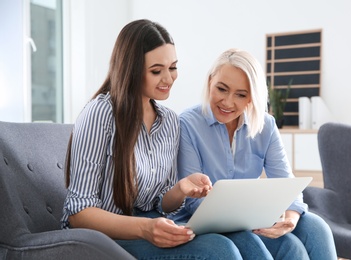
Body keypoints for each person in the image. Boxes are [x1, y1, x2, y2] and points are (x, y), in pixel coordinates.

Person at [61, 19, 244, 259]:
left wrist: (181, 189)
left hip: (148, 226)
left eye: (173, 67)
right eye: (157, 71)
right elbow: (78, 212)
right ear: (131, 69)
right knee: (220, 251)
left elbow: (159, 203)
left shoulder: (169, 120)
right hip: (103, 237)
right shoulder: (101, 113)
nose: (168, 79)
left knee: (237, 242)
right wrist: (145, 228)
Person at [171, 48, 338, 260]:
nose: (228, 102)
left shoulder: (265, 125)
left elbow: (286, 181)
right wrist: (249, 218)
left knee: (316, 228)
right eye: (222, 89)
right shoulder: (187, 123)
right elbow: (192, 200)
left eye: (241, 95)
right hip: (203, 221)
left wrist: (291, 219)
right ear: (210, 81)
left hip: (252, 216)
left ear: (252, 97)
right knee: (291, 247)